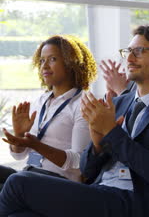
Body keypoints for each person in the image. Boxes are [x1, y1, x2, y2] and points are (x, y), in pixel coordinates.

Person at [0, 24, 149, 217]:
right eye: (128, 51)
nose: (130, 58)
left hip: (134, 211)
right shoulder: (119, 102)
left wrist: (112, 133)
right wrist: (97, 143)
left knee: (18, 182)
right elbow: (87, 170)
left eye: (139, 51)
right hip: (99, 198)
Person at [1, 34, 96, 182]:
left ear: (72, 63)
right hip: (30, 174)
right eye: (42, 60)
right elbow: (19, 155)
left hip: (59, 182)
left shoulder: (83, 104)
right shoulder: (41, 100)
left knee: (15, 182)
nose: (44, 66)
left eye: (52, 59)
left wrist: (37, 146)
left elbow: (79, 162)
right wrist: (19, 136)